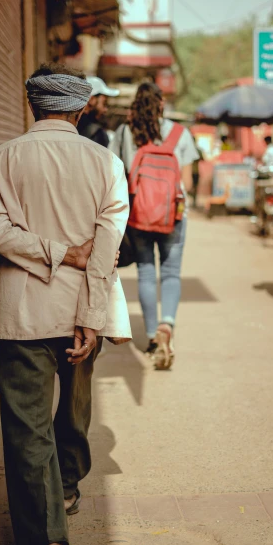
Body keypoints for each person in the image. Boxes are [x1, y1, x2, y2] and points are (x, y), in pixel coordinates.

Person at [0, 62, 130, 545]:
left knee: (27, 429)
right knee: (74, 408)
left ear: (32, 104)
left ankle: (48, 542)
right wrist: (92, 317)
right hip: (80, 312)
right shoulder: (106, 164)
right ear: (81, 107)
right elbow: (107, 250)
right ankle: (66, 485)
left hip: (24, 313)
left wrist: (50, 252)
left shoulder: (2, 159)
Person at [110, 82, 199, 369]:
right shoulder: (179, 133)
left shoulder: (125, 132)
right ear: (162, 104)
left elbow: (115, 170)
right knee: (171, 273)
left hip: (139, 214)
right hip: (173, 215)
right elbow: (186, 183)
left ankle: (150, 338)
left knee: (146, 273)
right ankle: (167, 326)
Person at [77, 75, 120, 147]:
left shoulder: (68, 126)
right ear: (92, 100)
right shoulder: (98, 135)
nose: (105, 110)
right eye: (104, 103)